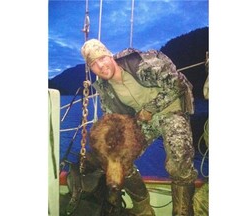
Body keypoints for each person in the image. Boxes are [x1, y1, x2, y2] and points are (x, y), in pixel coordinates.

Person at [81, 39, 198, 216]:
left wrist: (151, 108)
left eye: (102, 59)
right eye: (94, 64)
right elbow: (114, 121)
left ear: (109, 55)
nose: (101, 66)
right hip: (143, 121)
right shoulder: (105, 89)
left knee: (179, 159)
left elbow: (177, 84)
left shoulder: (141, 64)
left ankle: (183, 211)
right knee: (119, 159)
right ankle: (143, 208)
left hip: (171, 109)